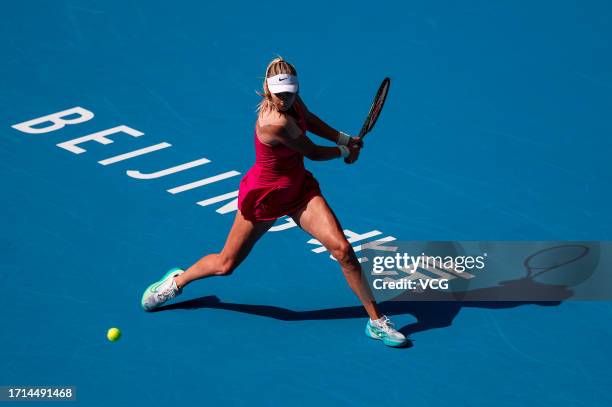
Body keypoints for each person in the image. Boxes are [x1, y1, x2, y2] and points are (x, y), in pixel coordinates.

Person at [141, 57, 408, 347]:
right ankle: (177, 282)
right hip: (266, 197)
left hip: (299, 192)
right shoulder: (274, 122)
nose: (285, 99)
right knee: (225, 264)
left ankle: (376, 322)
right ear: (268, 90)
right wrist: (345, 151)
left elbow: (311, 120)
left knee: (343, 250)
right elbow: (314, 153)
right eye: (280, 95)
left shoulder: (292, 101)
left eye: (290, 94)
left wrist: (344, 139)